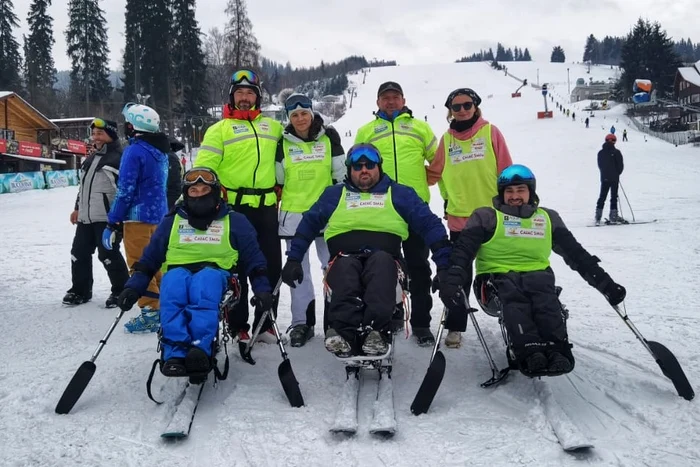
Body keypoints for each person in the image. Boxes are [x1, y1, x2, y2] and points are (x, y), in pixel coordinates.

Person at [437, 164, 626, 376]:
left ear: (531, 192)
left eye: (521, 190)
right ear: (501, 194)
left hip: (537, 277)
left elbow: (576, 255)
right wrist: (451, 280)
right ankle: (528, 350)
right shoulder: (487, 217)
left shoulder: (547, 218)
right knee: (514, 295)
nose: (515, 196)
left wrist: (605, 284)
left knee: (545, 298)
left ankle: (557, 351)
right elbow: (463, 252)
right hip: (494, 280)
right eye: (509, 191)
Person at [281, 144, 451, 356]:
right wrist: (294, 259)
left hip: (385, 257)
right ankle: (344, 333)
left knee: (379, 263)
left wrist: (444, 264)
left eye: (369, 165)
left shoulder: (398, 193)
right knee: (344, 267)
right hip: (343, 256)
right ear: (349, 170)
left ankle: (376, 331)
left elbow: (430, 225)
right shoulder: (334, 194)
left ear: (379, 167)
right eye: (357, 166)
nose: (364, 170)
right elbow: (308, 225)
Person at [116, 168, 273, 376]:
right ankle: (175, 352)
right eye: (194, 191)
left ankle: (200, 347)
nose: (199, 195)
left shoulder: (235, 221)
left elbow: (255, 259)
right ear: (186, 195)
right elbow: (149, 259)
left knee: (203, 286)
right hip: (178, 270)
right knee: (173, 285)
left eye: (204, 189)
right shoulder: (172, 221)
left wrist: (262, 289)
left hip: (217, 272)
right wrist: (133, 287)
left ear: (215, 192)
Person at [194, 69, 283, 342]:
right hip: (234, 208)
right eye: (240, 93)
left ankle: (266, 321)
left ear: (258, 97)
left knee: (271, 266)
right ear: (232, 97)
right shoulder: (219, 130)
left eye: (250, 93)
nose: (245, 98)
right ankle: (237, 324)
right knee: (238, 267)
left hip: (267, 207)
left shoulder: (273, 127)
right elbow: (204, 169)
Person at [354, 81, 440, 347]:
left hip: (415, 208)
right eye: (385, 98)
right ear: (378, 102)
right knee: (385, 265)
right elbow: (358, 166)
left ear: (403, 100)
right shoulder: (367, 130)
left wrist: (429, 181)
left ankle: (422, 323)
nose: (390, 102)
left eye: (394, 97)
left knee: (418, 266)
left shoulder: (419, 127)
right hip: (381, 207)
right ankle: (392, 312)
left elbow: (437, 160)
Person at [428, 88, 513, 348]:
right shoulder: (447, 140)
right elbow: (433, 173)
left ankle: (514, 321)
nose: (462, 110)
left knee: (502, 272)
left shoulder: (491, 132)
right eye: (457, 107)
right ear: (450, 111)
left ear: (475, 106)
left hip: (492, 217)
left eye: (467, 105)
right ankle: (455, 326)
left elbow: (507, 171)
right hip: (459, 220)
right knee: (459, 274)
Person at [276, 93, 345, 347]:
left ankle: (336, 322)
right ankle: (301, 324)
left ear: (312, 113)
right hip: (294, 218)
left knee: (335, 269)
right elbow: (279, 179)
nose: (300, 119)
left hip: (327, 216)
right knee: (298, 273)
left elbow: (340, 176)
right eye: (294, 115)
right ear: (289, 118)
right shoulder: (282, 143)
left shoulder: (329, 138)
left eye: (304, 113)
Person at [102, 103, 170, 333]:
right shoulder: (159, 151)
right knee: (155, 262)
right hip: (158, 215)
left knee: (139, 264)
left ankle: (151, 310)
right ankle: (163, 306)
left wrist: (113, 221)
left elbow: (125, 189)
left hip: (137, 217)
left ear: (133, 125)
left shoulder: (135, 150)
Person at [64, 118, 130, 307]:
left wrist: (120, 218)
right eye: (93, 134)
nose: (95, 137)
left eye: (100, 133)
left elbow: (125, 191)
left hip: (107, 218)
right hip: (86, 217)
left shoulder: (120, 157)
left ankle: (121, 290)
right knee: (79, 253)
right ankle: (80, 290)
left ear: (111, 135)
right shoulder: (91, 158)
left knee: (108, 254)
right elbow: (83, 187)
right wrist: (77, 208)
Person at [595, 134, 624, 225]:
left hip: (604, 178)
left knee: (602, 196)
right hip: (614, 178)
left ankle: (598, 217)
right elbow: (620, 166)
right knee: (613, 197)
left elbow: (600, 165)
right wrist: (616, 173)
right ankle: (613, 216)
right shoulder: (617, 152)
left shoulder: (600, 153)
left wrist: (604, 173)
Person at [166, 137, 185, 210]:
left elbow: (172, 178)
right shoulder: (172, 156)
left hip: (172, 193)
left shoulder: (170, 157)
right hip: (176, 191)